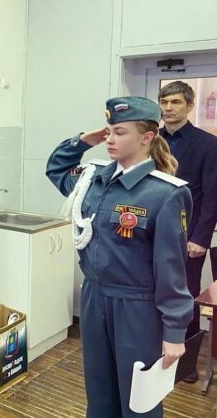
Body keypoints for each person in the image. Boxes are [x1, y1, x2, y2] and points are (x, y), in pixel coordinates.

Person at [46, 96, 194, 417]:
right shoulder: (92, 179)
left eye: (120, 132)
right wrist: (84, 141)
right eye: (109, 131)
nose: (110, 139)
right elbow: (55, 168)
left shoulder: (165, 193)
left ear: (147, 138)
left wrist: (174, 332)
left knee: (139, 400)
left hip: (137, 308)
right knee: (99, 391)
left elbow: (171, 271)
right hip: (94, 298)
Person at [158, 81, 217, 382]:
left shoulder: (207, 144)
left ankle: (187, 366)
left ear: (190, 106)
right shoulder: (151, 139)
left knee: (186, 297)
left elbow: (212, 195)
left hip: (188, 237)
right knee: (154, 292)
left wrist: (200, 238)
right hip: (153, 234)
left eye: (176, 102)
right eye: (164, 102)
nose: (168, 108)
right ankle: (157, 354)